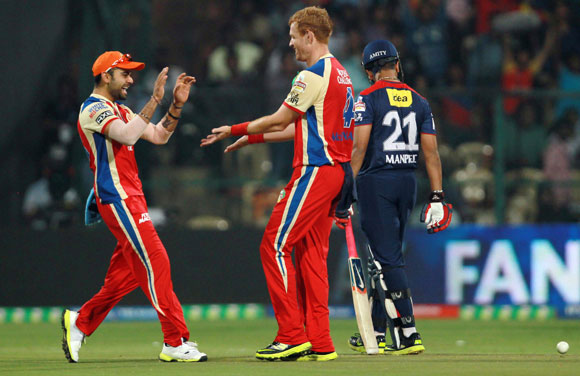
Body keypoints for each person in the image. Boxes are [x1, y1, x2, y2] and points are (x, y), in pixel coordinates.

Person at [201, 6, 354, 362]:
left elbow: (282, 117)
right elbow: (300, 127)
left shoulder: (311, 75)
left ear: (309, 36)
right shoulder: (341, 73)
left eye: (294, 36)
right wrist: (252, 140)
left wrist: (237, 128)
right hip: (336, 172)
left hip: (315, 169)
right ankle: (320, 340)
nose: (290, 44)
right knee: (312, 255)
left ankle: (290, 335)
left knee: (274, 245)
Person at [61, 51, 207, 363]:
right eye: (124, 74)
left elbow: (159, 135)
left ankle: (81, 321)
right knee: (157, 261)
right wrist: (154, 99)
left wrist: (175, 104)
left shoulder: (121, 109)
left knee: (125, 277)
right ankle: (174, 340)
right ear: (105, 76)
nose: (130, 79)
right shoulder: (92, 109)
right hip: (118, 198)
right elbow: (128, 134)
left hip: (132, 197)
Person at [345, 40, 452, 355]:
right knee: (382, 257)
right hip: (408, 182)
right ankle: (378, 332)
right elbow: (431, 154)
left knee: (386, 258)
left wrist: (344, 189)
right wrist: (437, 196)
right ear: (396, 64)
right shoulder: (420, 101)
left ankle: (408, 332)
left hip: (375, 182)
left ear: (369, 70)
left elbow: (358, 149)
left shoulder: (366, 98)